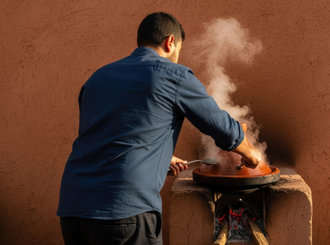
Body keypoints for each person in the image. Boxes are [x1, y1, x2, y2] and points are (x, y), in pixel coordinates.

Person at [57, 12, 262, 245]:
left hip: (74, 209)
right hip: (124, 211)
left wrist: (160, 158)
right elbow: (221, 127)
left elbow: (109, 137)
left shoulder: (97, 78)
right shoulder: (173, 74)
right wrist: (250, 153)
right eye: (178, 51)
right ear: (170, 42)